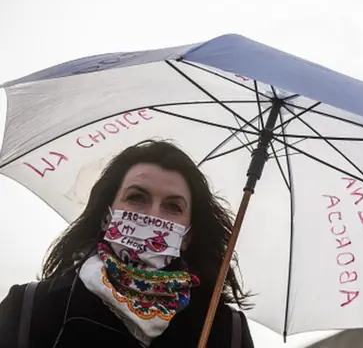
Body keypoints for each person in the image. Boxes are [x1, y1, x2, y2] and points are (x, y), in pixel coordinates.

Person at [0, 140, 254, 348]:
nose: (153, 215)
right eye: (136, 197)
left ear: (187, 235)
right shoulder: (31, 309)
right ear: (106, 216)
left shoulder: (225, 331)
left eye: (173, 206)